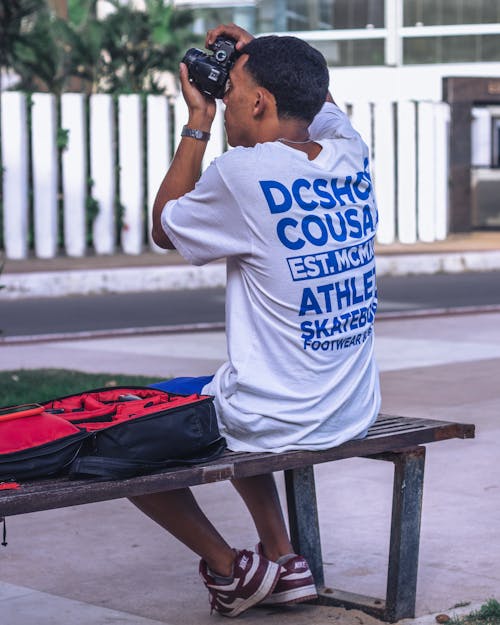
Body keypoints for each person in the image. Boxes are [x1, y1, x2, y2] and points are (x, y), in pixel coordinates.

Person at [131, 22, 380, 618]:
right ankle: (284, 558)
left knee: (127, 433)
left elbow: (165, 227)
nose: (228, 102)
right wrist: (259, 53)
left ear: (260, 102)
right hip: (349, 407)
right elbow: (319, 101)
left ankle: (232, 569)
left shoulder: (244, 173)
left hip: (279, 413)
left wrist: (198, 119)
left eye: (235, 92)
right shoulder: (350, 151)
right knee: (226, 388)